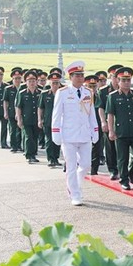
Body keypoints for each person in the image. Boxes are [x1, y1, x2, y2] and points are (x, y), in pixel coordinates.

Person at [52, 61, 99, 206]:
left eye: (81, 75)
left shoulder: (88, 92)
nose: (80, 78)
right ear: (71, 77)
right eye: (77, 75)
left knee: (85, 165)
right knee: (71, 166)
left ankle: (76, 185)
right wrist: (56, 133)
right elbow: (56, 114)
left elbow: (91, 114)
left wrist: (95, 130)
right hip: (69, 136)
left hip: (84, 134)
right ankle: (75, 194)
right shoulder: (63, 92)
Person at [107, 67, 133, 190]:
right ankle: (124, 180)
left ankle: (131, 172)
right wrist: (111, 130)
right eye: (123, 80)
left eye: (128, 80)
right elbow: (110, 114)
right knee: (122, 158)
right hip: (121, 132)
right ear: (118, 81)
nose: (126, 83)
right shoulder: (113, 96)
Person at [97, 64, 122, 179]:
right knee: (110, 147)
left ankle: (122, 169)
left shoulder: (126, 90)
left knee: (123, 148)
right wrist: (103, 122)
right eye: (114, 76)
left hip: (123, 123)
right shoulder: (103, 91)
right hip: (109, 122)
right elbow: (100, 108)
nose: (117, 79)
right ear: (110, 77)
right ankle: (113, 169)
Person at [15, 70, 42, 164]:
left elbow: (42, 107)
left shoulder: (40, 93)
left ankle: (33, 154)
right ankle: (28, 155)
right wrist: (19, 119)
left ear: (36, 82)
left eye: (33, 81)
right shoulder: (22, 93)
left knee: (35, 137)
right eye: (29, 81)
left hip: (36, 119)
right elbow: (18, 107)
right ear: (26, 82)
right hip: (26, 119)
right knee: (28, 137)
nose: (32, 83)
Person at [38, 72, 62, 167]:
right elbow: (40, 108)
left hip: (59, 122)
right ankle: (50, 159)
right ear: (50, 83)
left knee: (57, 141)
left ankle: (56, 158)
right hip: (48, 121)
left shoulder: (62, 94)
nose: (55, 85)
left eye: (57, 83)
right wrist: (40, 120)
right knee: (49, 140)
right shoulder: (44, 94)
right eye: (53, 83)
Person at [85, 74, 103, 175]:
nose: (92, 89)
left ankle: (94, 169)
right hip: (84, 126)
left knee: (97, 147)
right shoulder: (81, 97)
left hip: (97, 125)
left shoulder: (100, 97)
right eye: (89, 86)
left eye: (94, 86)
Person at [3, 68, 23, 153]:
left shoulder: (24, 88)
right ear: (12, 79)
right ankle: (13, 146)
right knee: (13, 129)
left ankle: (19, 145)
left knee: (20, 130)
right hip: (11, 112)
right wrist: (5, 112)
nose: (17, 80)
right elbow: (5, 101)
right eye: (15, 78)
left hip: (22, 113)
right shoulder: (8, 89)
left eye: (19, 78)